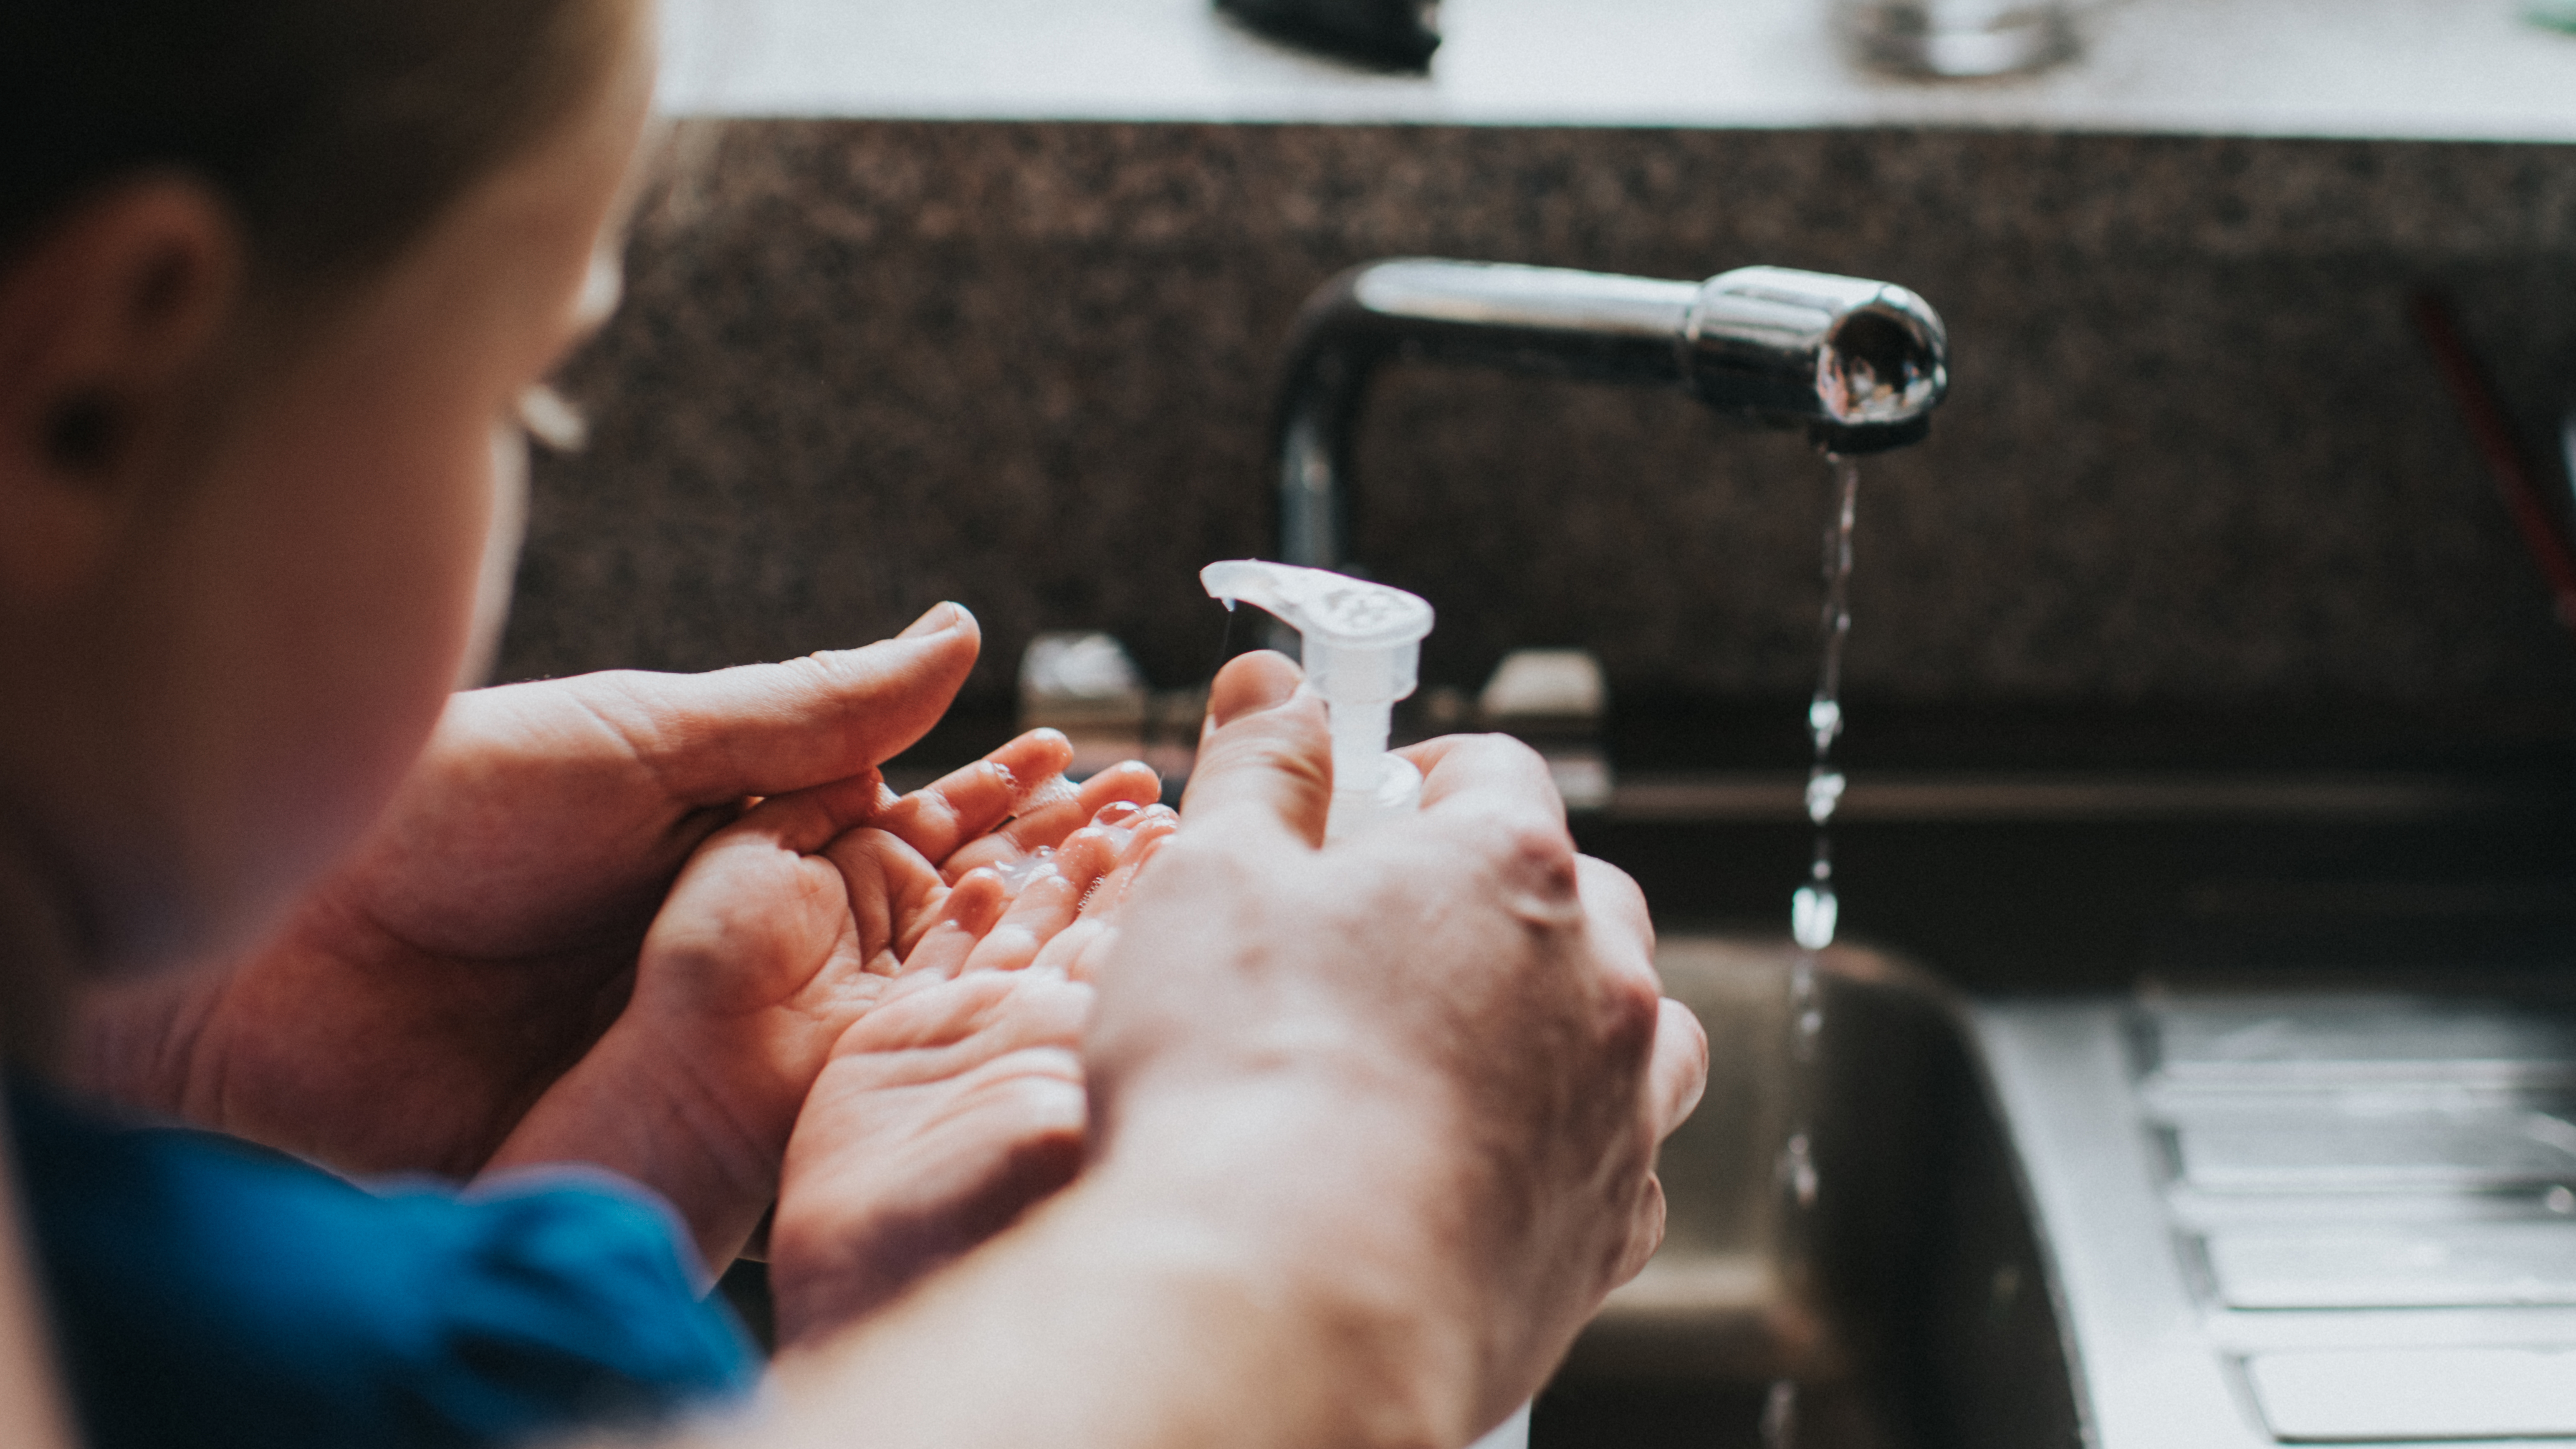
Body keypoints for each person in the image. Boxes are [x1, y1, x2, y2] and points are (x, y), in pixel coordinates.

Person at [0, 0, 1709, 1446]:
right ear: (92, 396)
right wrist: (1354, 1220)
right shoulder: (348, 1371)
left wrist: (203, 1004)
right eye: (514, 389)